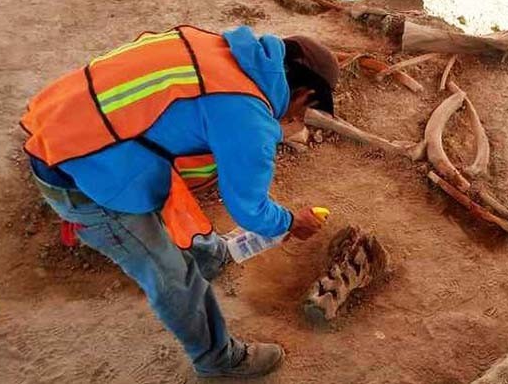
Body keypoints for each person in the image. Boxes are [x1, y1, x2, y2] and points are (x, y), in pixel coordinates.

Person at [20, 25, 340, 378]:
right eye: (304, 110)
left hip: (67, 127)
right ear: (304, 93)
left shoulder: (221, 50)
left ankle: (209, 254)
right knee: (173, 276)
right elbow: (249, 209)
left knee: (175, 195)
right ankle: (219, 360)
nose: (296, 119)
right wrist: (292, 223)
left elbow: (191, 114)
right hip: (82, 178)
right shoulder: (248, 118)